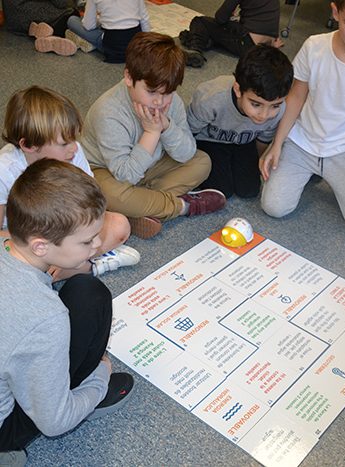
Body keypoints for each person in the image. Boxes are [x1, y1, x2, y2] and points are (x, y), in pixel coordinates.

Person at [0, 159, 134, 466]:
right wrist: (99, 377)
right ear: (40, 247)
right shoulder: (47, 317)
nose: (97, 244)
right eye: (87, 240)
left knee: (83, 290)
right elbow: (54, 422)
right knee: (91, 295)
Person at [259, 0, 345, 236]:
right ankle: (312, 172)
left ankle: (325, 174)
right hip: (302, 142)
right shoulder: (314, 46)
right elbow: (296, 96)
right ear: (335, 12)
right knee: (274, 207)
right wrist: (277, 143)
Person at [81, 32, 226, 239]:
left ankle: (141, 206)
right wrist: (152, 132)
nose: (159, 101)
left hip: (149, 166)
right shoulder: (109, 112)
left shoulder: (172, 102)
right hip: (106, 170)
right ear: (129, 77)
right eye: (151, 92)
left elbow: (187, 153)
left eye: (167, 93)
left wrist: (166, 127)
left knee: (202, 162)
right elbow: (126, 175)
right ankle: (181, 206)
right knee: (111, 195)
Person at [0, 85, 140, 281]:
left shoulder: (73, 152)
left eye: (74, 138)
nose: (74, 148)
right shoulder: (4, 170)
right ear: (28, 145)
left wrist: (69, 246)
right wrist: (54, 252)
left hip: (70, 228)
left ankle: (65, 268)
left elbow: (91, 202)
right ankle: (86, 267)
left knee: (120, 226)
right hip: (29, 242)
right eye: (64, 143)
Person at [187, 45, 293, 198]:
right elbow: (188, 132)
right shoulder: (211, 98)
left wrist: (256, 162)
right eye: (256, 104)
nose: (264, 115)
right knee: (222, 191)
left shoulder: (280, 109)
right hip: (210, 140)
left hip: (244, 141)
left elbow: (263, 140)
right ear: (237, 89)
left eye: (274, 106)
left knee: (249, 190)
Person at [178, 0, 283, 68]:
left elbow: (220, 18)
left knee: (200, 21)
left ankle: (195, 50)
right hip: (267, 43)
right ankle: (206, 40)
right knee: (222, 31)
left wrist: (229, 15)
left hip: (248, 43)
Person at [65, 0, 151, 63]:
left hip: (112, 48)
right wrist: (146, 45)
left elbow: (89, 26)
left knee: (72, 20)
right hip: (135, 47)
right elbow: (144, 19)